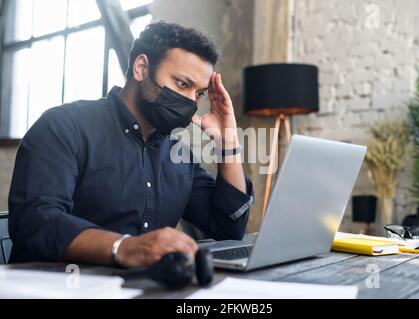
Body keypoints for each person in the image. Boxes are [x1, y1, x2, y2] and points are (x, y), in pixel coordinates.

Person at [8, 21, 254, 268]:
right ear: (141, 68)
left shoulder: (179, 157)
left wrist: (227, 141)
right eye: (182, 84)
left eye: (198, 94)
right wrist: (125, 247)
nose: (191, 102)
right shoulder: (63, 126)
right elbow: (34, 224)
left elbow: (228, 228)